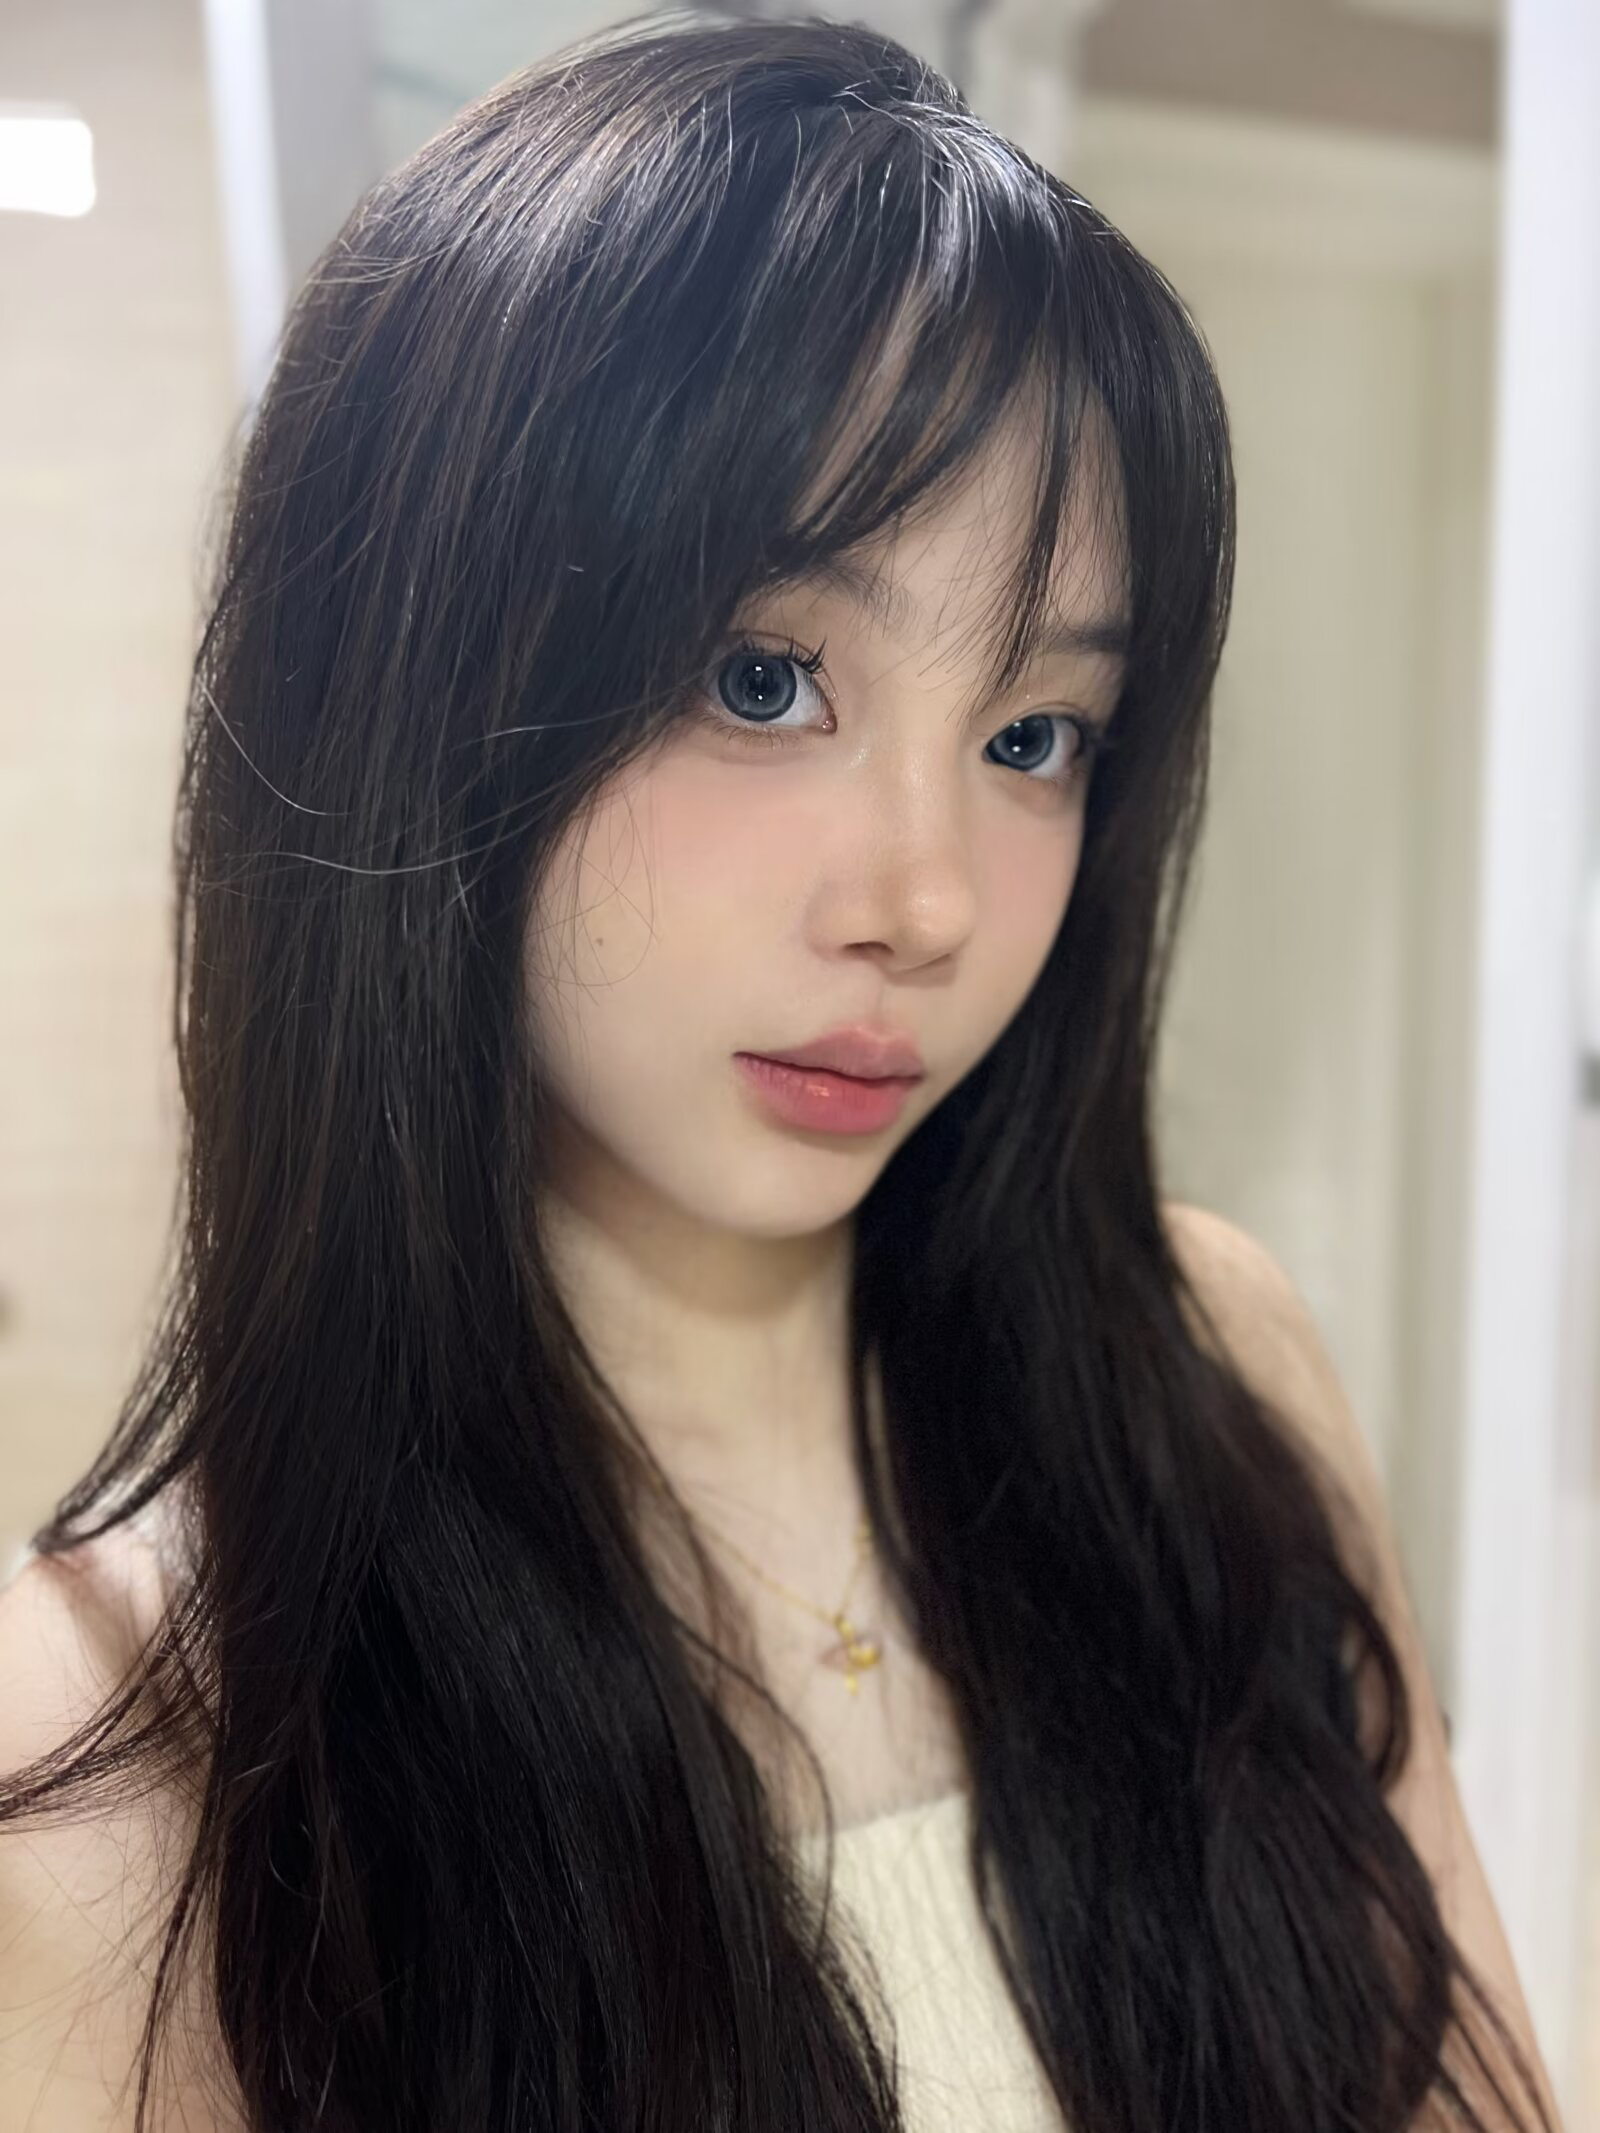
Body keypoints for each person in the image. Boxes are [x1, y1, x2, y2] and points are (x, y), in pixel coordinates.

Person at [0, 10, 1563, 2131]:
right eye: (763, 680)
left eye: (1033, 737)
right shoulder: (123, 1745)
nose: (926, 898)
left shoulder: (1210, 1377)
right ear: (416, 685)